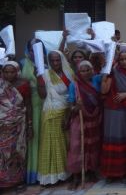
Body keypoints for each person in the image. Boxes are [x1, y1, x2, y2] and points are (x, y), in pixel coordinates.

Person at [100, 50, 126, 182]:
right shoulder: (113, 72)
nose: (124, 62)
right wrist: (106, 74)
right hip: (112, 112)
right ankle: (111, 173)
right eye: (121, 59)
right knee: (112, 141)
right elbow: (103, 90)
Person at [37, 50, 74, 185]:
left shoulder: (69, 73)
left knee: (66, 144)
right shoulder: (45, 75)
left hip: (67, 112)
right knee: (51, 144)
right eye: (52, 61)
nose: (55, 63)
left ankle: (65, 174)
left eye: (57, 60)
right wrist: (40, 81)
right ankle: (51, 177)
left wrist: (70, 113)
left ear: (62, 60)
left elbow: (73, 94)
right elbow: (42, 96)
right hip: (51, 113)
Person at [66, 61, 103, 189]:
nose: (86, 73)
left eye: (88, 70)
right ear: (78, 72)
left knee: (92, 145)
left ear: (92, 70)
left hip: (94, 118)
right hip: (79, 119)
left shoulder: (96, 82)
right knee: (77, 146)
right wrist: (77, 106)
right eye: (83, 70)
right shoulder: (74, 85)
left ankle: (91, 171)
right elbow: (71, 105)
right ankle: (76, 175)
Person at [0, 62, 31, 190]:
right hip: (3, 125)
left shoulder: (23, 84)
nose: (9, 75)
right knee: (3, 153)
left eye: (12, 72)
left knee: (18, 151)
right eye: (6, 72)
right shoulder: (1, 85)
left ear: (17, 71)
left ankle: (16, 182)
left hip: (19, 124)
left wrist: (30, 125)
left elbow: (28, 105)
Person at [21, 39, 46, 184]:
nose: (35, 52)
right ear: (28, 50)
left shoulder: (46, 65)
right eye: (32, 49)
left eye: (38, 49)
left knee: (44, 138)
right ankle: (32, 173)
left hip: (45, 105)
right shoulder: (22, 64)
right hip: (29, 107)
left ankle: (44, 172)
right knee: (33, 139)